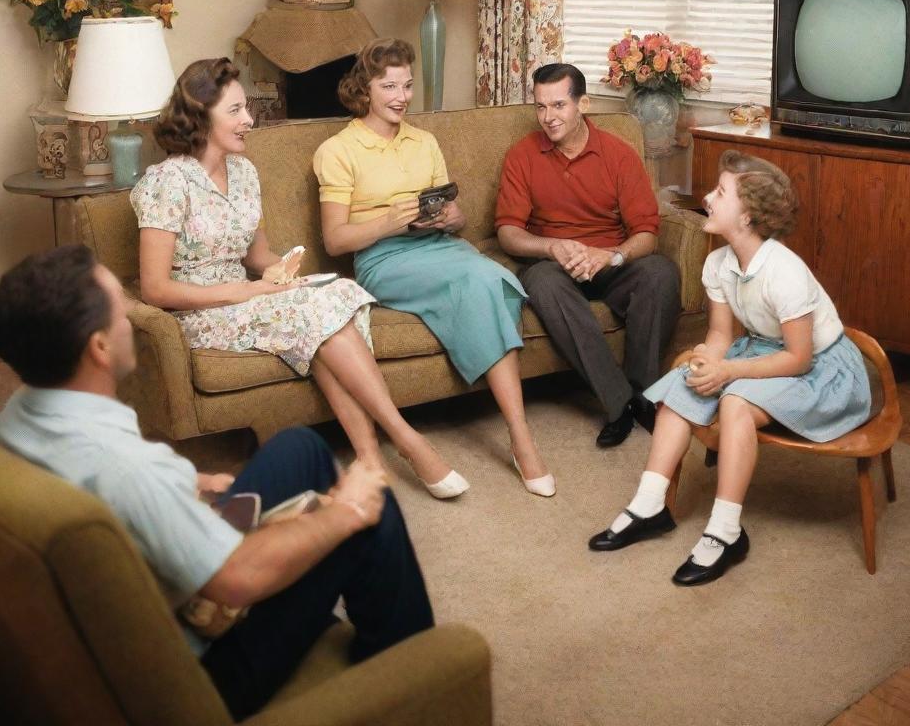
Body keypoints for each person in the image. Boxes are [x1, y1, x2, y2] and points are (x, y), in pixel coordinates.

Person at [0, 245, 434, 721]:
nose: (133, 319)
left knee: (297, 448)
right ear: (98, 347)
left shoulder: (18, 413)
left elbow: (107, 479)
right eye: (123, 310)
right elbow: (236, 580)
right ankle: (418, 684)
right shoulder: (130, 472)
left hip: (159, 583)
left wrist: (188, 479)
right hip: (206, 665)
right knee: (372, 508)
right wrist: (348, 510)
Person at [132, 57, 465, 500]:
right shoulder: (166, 182)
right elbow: (155, 289)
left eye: (245, 107)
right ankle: (405, 439)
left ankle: (369, 461)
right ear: (199, 116)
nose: (248, 120)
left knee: (333, 294)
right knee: (315, 314)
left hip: (251, 297)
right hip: (200, 312)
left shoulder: (244, 172)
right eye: (234, 111)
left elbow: (257, 255)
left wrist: (279, 269)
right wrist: (244, 291)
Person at [589, 150, 872, 585]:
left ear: (747, 218)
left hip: (820, 371)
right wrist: (707, 362)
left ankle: (725, 533)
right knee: (684, 385)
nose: (707, 196)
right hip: (762, 351)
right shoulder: (718, 263)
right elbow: (721, 336)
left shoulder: (785, 272)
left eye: (720, 193)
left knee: (735, 401)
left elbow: (799, 358)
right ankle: (650, 505)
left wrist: (729, 374)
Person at [314, 38, 555, 497]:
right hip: (384, 260)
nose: (402, 96)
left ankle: (518, 433)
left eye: (407, 85)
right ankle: (522, 438)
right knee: (481, 278)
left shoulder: (424, 142)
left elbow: (456, 214)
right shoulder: (338, 150)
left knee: (494, 278)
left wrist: (452, 217)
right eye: (389, 86)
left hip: (442, 246)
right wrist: (387, 222)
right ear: (365, 88)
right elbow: (334, 239)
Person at [495, 63, 681, 447]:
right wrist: (551, 247)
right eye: (541, 107)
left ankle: (644, 394)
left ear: (584, 104)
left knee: (661, 273)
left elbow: (646, 233)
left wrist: (610, 256)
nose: (549, 117)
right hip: (554, 266)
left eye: (559, 105)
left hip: (609, 262)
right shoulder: (522, 155)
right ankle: (620, 404)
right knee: (542, 282)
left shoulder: (619, 154)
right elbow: (508, 234)